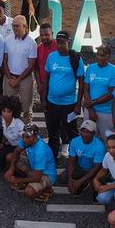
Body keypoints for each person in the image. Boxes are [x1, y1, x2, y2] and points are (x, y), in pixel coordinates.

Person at [39, 30, 84, 158]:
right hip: (52, 102)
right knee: (52, 132)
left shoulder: (75, 59)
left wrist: (78, 104)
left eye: (62, 43)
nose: (59, 46)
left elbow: (81, 83)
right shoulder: (52, 56)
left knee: (72, 133)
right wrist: (43, 99)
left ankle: (75, 159)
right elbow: (47, 78)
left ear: (68, 42)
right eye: (58, 43)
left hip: (69, 104)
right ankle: (52, 158)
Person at [3, 123, 57, 201]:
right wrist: (11, 169)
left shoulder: (40, 151)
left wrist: (16, 180)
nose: (24, 139)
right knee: (10, 157)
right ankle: (26, 181)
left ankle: (47, 189)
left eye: (28, 137)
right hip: (34, 167)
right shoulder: (27, 139)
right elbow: (16, 151)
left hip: (46, 175)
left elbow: (37, 178)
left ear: (35, 136)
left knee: (29, 192)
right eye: (23, 136)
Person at [2, 15, 38, 122]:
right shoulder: (7, 40)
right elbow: (5, 61)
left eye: (17, 26)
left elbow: (31, 65)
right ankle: (9, 132)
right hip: (10, 77)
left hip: (25, 79)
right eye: (13, 26)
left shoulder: (31, 43)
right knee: (8, 106)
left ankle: (27, 132)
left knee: (26, 108)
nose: (14, 28)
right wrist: (9, 78)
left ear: (25, 27)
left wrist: (17, 80)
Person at [83, 46, 115, 141]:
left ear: (108, 56)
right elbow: (86, 89)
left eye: (102, 55)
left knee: (107, 140)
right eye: (98, 55)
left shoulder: (114, 71)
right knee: (89, 139)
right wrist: (91, 109)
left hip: (106, 112)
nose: (99, 57)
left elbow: (111, 93)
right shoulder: (90, 69)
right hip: (90, 110)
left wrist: (92, 103)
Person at [0, 95, 24, 177]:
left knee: (9, 157)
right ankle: (6, 166)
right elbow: (5, 134)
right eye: (3, 111)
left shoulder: (19, 125)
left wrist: (19, 152)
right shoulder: (3, 120)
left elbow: (26, 141)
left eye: (8, 111)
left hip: (21, 149)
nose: (5, 114)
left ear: (14, 112)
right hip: (11, 145)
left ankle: (19, 174)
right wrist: (1, 144)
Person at [65, 119, 106, 196]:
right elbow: (71, 161)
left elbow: (96, 168)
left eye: (88, 132)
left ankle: (88, 183)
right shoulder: (74, 141)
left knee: (98, 188)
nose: (84, 134)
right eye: (83, 131)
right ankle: (85, 182)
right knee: (63, 178)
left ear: (94, 133)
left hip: (94, 170)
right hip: (81, 167)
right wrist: (69, 181)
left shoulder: (100, 146)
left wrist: (79, 181)